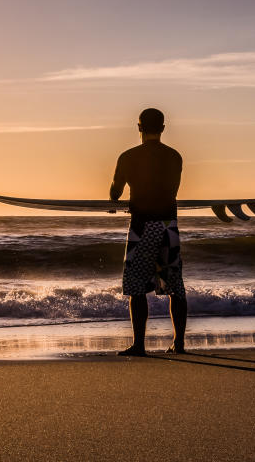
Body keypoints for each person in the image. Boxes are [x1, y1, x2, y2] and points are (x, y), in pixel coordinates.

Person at [110, 107, 186, 356]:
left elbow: (115, 192)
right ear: (163, 128)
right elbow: (172, 189)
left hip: (143, 226)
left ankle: (139, 345)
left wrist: (113, 200)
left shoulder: (128, 156)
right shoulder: (175, 157)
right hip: (168, 226)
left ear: (139, 127)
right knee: (174, 286)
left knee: (137, 287)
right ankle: (179, 344)